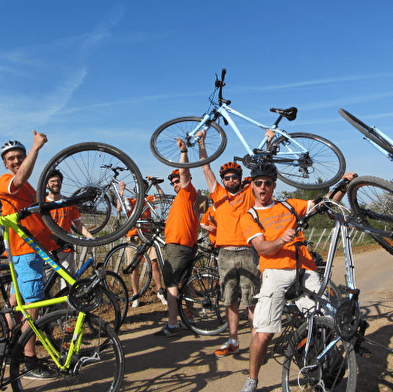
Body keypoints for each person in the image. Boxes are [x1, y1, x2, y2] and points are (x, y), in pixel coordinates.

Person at [238, 163, 356, 392]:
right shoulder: (249, 216)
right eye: (259, 183)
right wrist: (282, 240)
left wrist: (343, 183)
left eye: (268, 184)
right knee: (263, 333)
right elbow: (261, 248)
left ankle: (323, 364)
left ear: (274, 186)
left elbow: (326, 202)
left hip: (305, 268)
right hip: (275, 272)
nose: (263, 188)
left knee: (327, 320)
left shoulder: (289, 205)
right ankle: (252, 380)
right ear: (252, 185)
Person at [0, 134, 58, 379]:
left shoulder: (29, 189)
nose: (15, 161)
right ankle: (29, 361)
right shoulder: (6, 181)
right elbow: (20, 175)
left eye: (19, 157)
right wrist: (36, 147)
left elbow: (38, 216)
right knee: (33, 307)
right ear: (5, 164)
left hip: (33, 251)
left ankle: (12, 345)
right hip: (24, 252)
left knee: (18, 301)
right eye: (11, 158)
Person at [199, 136, 261, 358]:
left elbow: (261, 169)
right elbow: (205, 168)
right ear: (223, 180)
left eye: (234, 176)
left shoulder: (249, 195)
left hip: (247, 252)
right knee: (230, 299)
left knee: (251, 299)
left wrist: (267, 142)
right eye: (227, 177)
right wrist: (201, 143)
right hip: (225, 253)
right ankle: (233, 340)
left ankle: (256, 343)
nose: (230, 179)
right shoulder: (218, 195)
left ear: (240, 179)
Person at [154, 139, 200, 337]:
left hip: (178, 245)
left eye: (177, 181)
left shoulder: (187, 191)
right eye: (173, 183)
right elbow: (205, 220)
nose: (175, 184)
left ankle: (172, 324)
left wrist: (183, 152)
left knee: (171, 284)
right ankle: (188, 317)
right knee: (185, 282)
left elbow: (183, 172)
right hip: (187, 244)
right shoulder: (193, 198)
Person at [118, 177, 168, 307]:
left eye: (144, 187)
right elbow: (119, 208)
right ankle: (136, 295)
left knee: (154, 264)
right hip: (133, 237)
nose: (142, 188)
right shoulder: (130, 200)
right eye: (139, 186)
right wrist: (121, 190)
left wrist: (156, 185)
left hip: (147, 236)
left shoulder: (148, 200)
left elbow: (162, 198)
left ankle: (160, 291)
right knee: (134, 268)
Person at [45, 169, 93, 290]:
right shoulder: (42, 204)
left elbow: (79, 225)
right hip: (47, 250)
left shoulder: (68, 202)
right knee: (47, 285)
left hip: (66, 249)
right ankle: (50, 309)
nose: (56, 183)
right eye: (52, 181)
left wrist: (90, 237)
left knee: (67, 285)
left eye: (58, 181)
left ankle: (66, 308)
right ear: (46, 184)